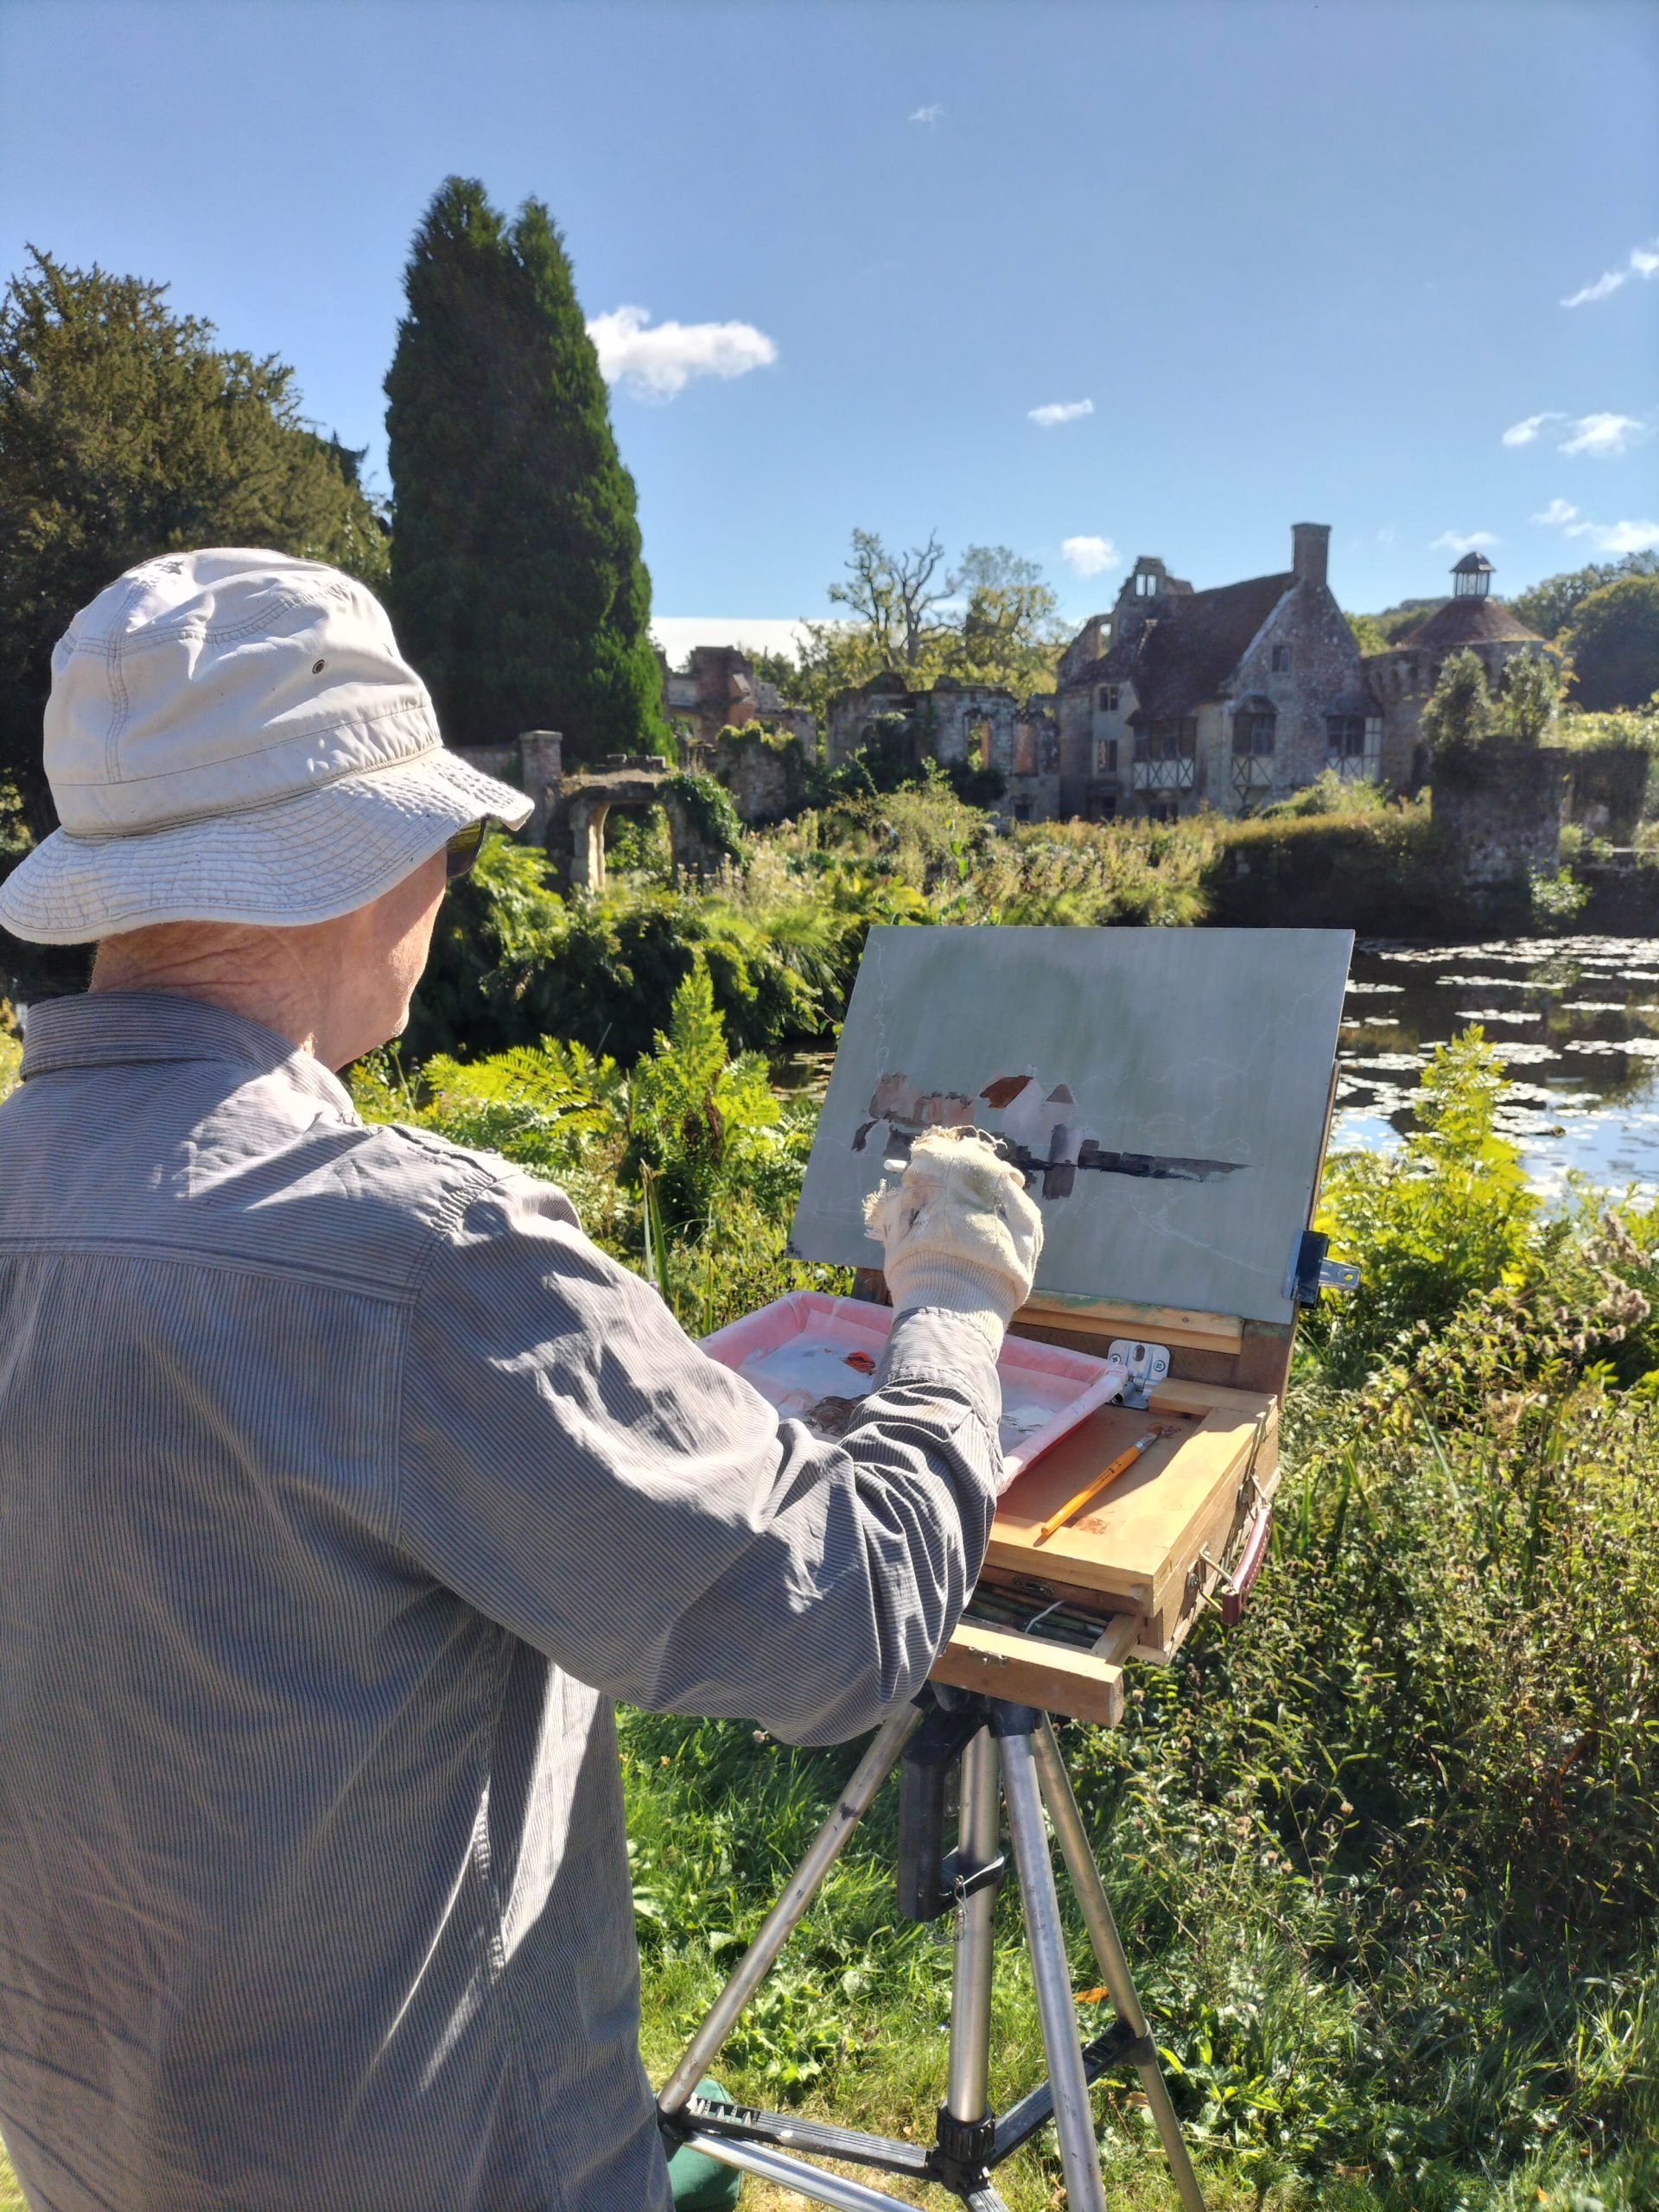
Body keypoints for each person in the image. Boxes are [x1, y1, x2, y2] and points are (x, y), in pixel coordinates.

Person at [0, 550, 1043, 2212]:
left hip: (88, 2143)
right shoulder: (421, 1262)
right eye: (442, 841)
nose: (449, 883)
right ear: (356, 865)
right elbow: (844, 1623)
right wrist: (955, 1304)